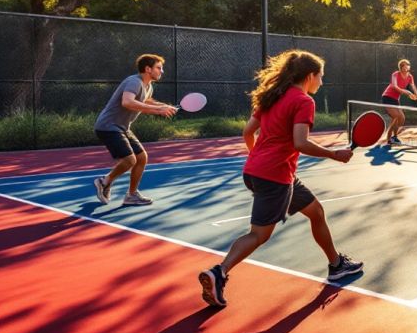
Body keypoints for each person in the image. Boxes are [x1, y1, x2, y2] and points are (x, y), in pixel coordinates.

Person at [198, 50, 363, 307]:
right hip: (274, 177)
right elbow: (301, 143)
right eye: (321, 77)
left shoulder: (270, 96)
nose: (322, 81)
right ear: (310, 76)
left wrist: (259, 159)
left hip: (260, 171)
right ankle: (219, 273)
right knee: (258, 235)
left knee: (316, 211)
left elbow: (247, 133)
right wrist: (334, 154)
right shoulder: (304, 101)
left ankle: (336, 264)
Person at [92, 54, 178, 206]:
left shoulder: (147, 86)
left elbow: (145, 101)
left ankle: (131, 195)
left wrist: (162, 106)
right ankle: (104, 182)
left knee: (142, 157)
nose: (162, 71)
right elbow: (127, 102)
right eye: (159, 68)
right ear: (147, 69)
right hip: (108, 126)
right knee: (130, 160)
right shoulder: (134, 82)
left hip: (122, 127)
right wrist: (158, 110)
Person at [380, 58, 417, 145]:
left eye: (407, 65)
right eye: (404, 65)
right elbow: (394, 86)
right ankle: (388, 138)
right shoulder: (395, 74)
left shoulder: (410, 76)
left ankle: (395, 137)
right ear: (401, 67)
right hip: (387, 97)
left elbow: (413, 86)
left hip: (395, 99)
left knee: (402, 118)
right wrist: (407, 92)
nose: (406, 67)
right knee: (396, 116)